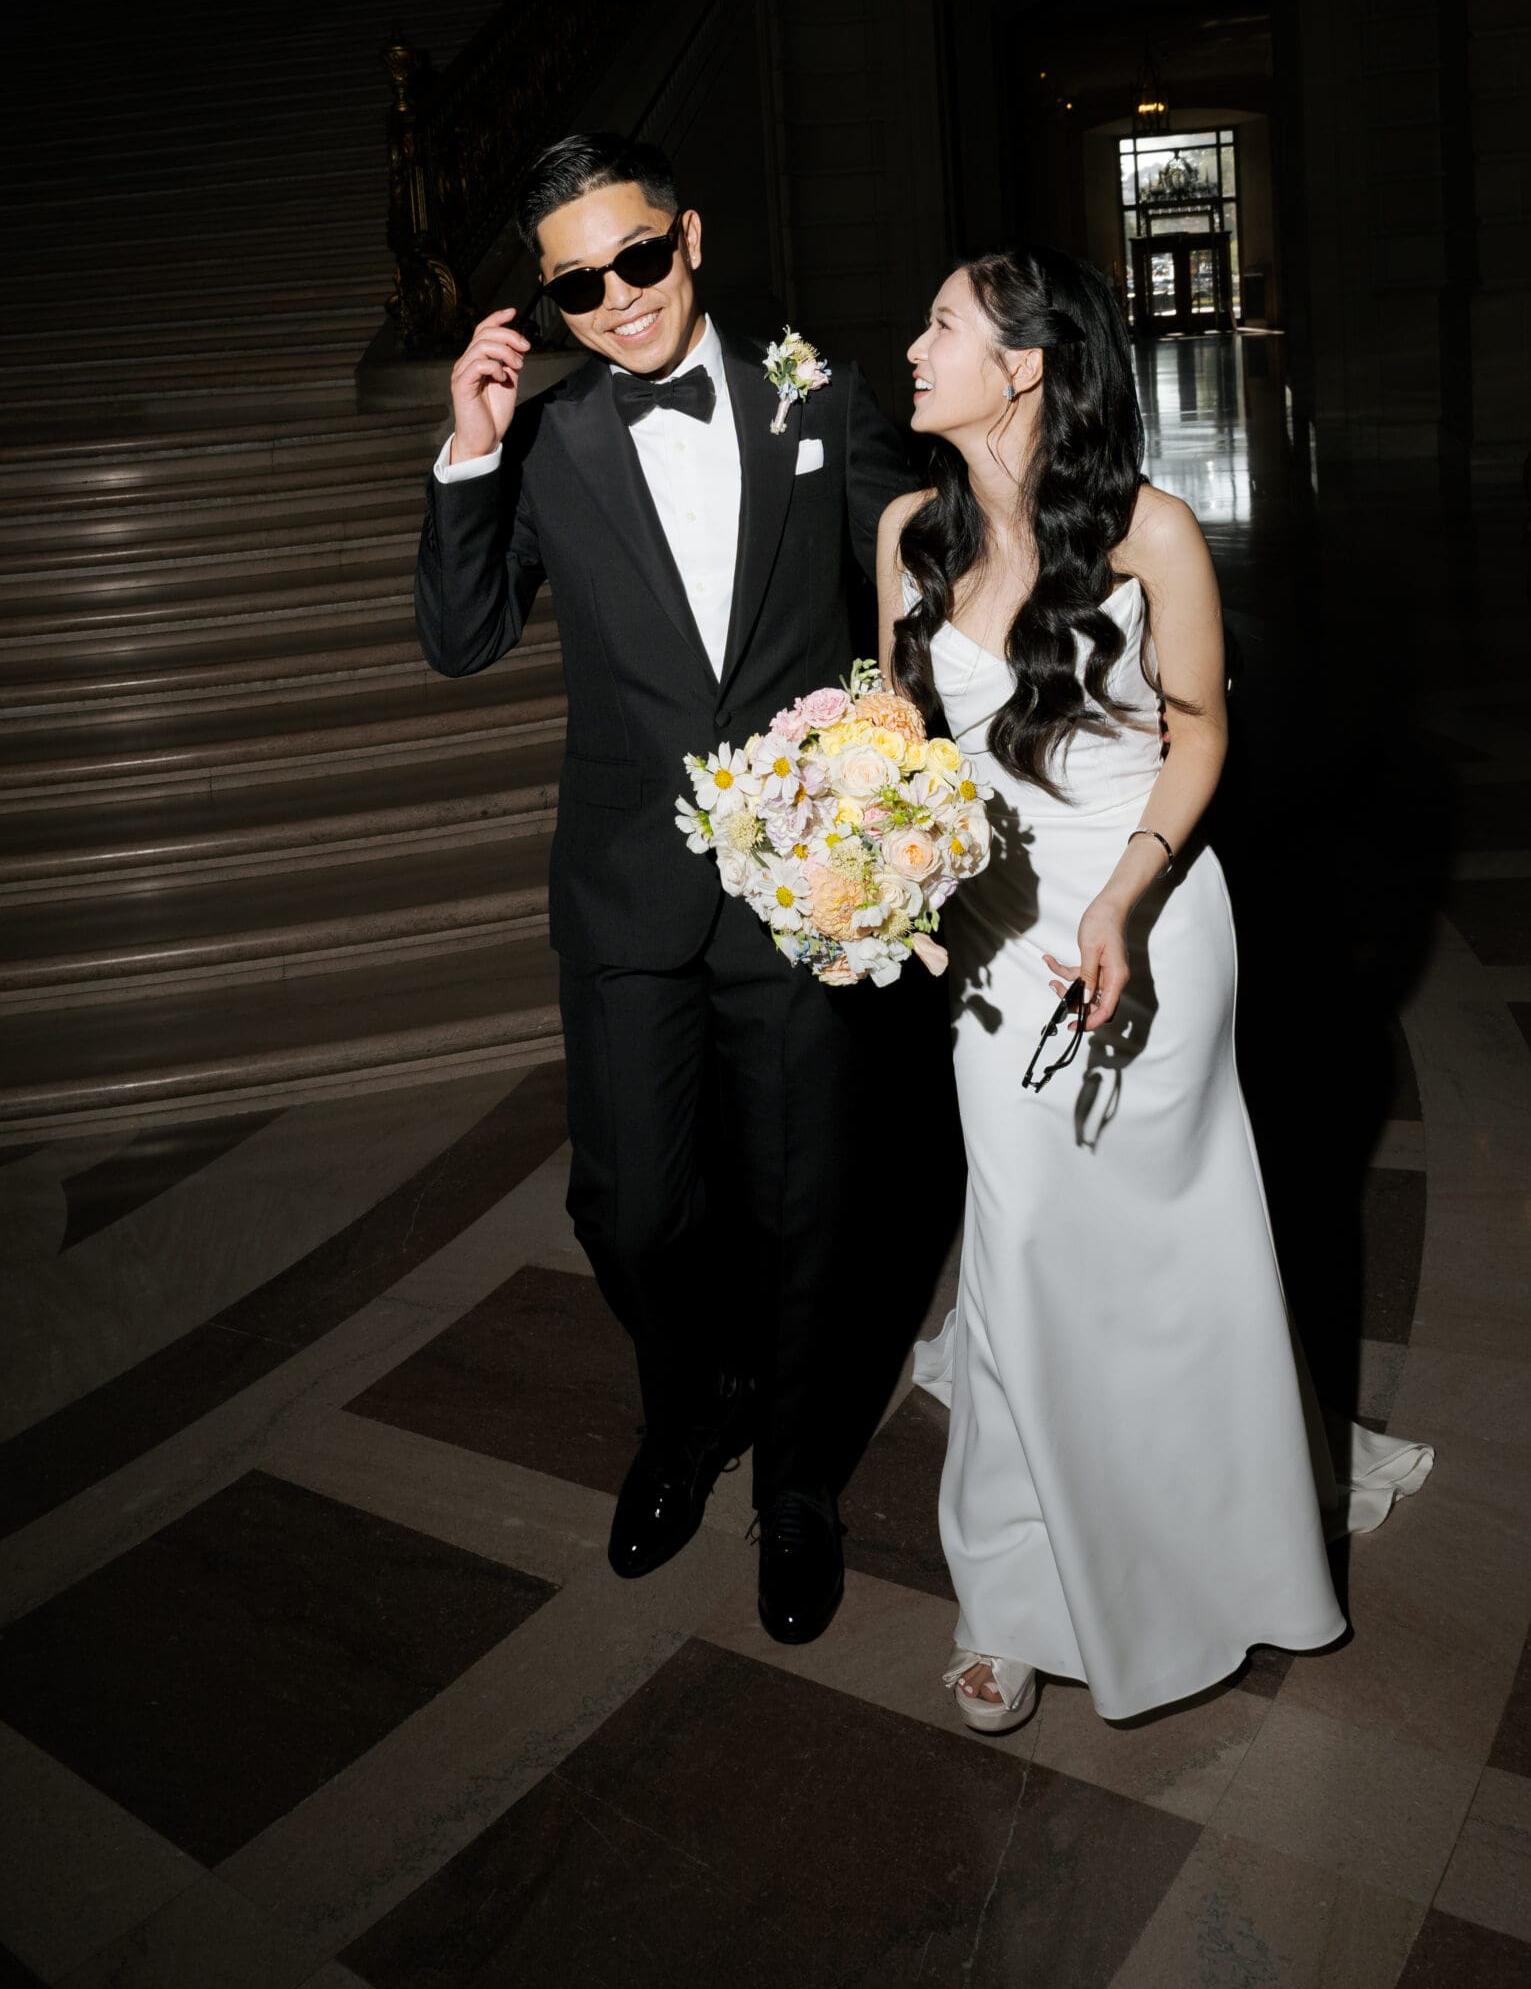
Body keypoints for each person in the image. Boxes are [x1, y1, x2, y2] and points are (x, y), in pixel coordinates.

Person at [876, 245, 1432, 1730]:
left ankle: (1216, 1548)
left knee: (1164, 1247)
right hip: (993, 941)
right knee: (1025, 1235)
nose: (912, 346)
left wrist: (1125, 894)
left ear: (1025, 366)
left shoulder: (1153, 535)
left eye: (942, 326)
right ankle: (1009, 1583)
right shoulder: (904, 542)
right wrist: (865, 874)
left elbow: (1196, 741)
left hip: (1151, 906)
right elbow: (898, 755)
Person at [415, 132, 943, 1643]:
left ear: (691, 236)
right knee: (635, 1213)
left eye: (640, 258)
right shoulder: (546, 440)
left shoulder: (815, 394)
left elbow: (918, 576)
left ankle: (794, 1482)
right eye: (578, 284)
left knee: (805, 1212)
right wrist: (466, 448)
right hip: (628, 893)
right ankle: (686, 1410)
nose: (619, 300)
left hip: (803, 887)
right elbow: (459, 639)